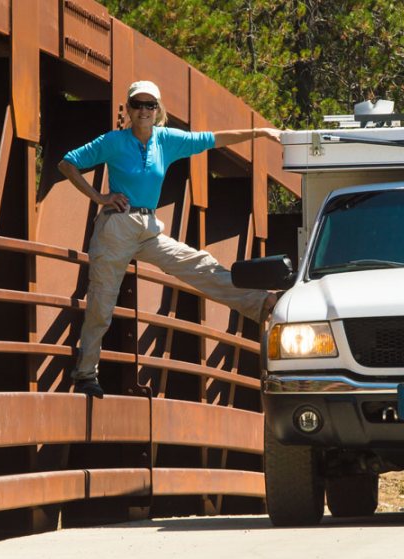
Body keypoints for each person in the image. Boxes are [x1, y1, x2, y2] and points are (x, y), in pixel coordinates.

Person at [58, 80, 279, 398]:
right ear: (129, 110)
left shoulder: (167, 141)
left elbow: (211, 140)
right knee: (102, 303)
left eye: (150, 105)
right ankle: (85, 375)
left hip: (149, 228)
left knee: (198, 263)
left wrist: (257, 133)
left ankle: (262, 303)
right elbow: (67, 163)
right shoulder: (113, 141)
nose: (144, 111)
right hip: (116, 228)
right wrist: (100, 196)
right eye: (138, 105)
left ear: (158, 110)